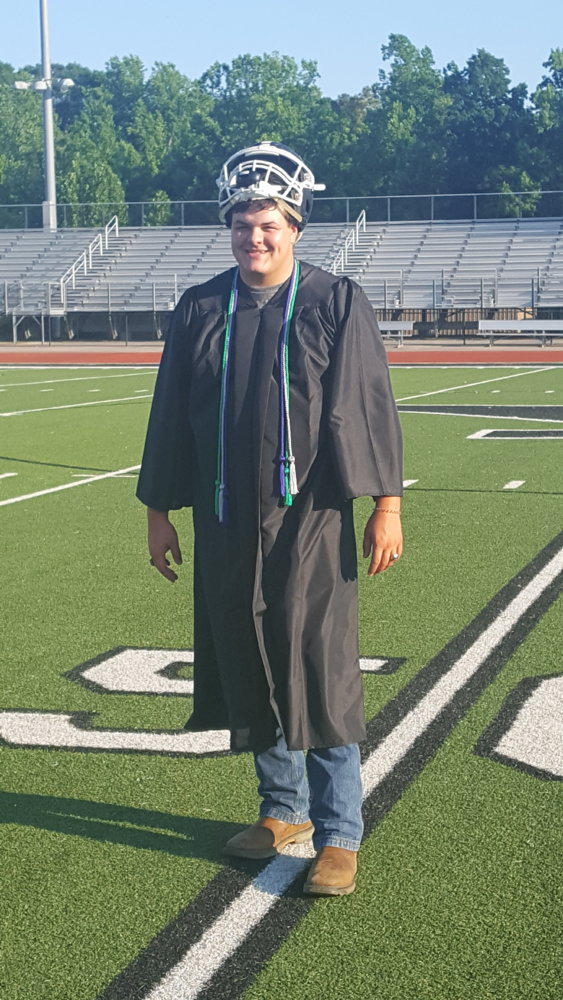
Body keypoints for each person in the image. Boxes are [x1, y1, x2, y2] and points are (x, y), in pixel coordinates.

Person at [137, 142, 403, 896]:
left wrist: (385, 505)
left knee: (318, 665)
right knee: (250, 654)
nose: (254, 238)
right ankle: (282, 810)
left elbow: (364, 407)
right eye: (242, 226)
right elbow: (171, 417)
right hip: (225, 516)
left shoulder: (334, 301)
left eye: (269, 226)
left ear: (294, 228)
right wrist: (158, 512)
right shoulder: (201, 307)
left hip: (311, 520)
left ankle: (339, 831)